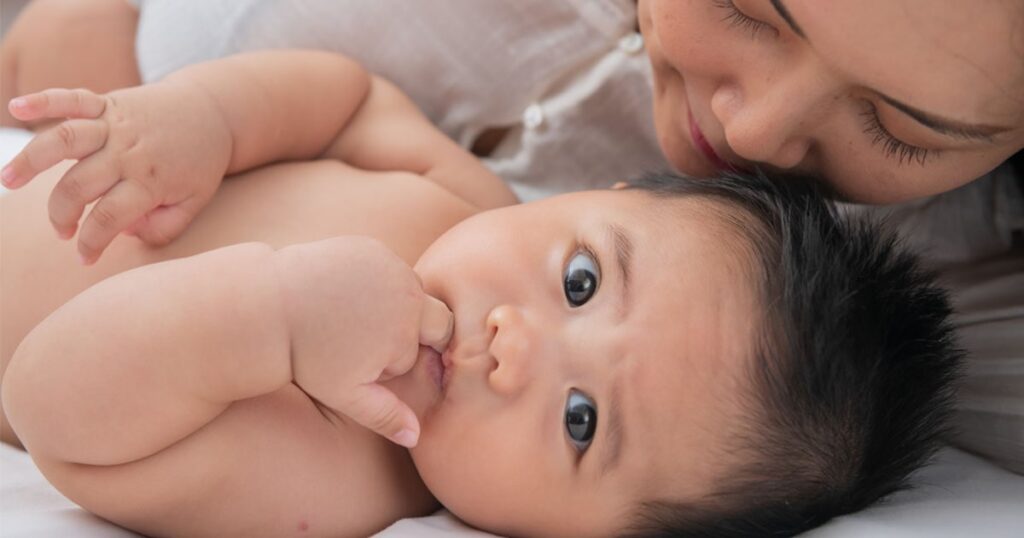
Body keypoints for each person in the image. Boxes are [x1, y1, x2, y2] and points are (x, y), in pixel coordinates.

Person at [1, 0, 1020, 469]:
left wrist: (267, 318)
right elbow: (346, 99)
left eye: (901, 127)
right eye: (748, 10)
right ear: (618, 195)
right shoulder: (472, 205)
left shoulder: (346, 465)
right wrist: (203, 117)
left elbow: (51, 402)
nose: (751, 131)